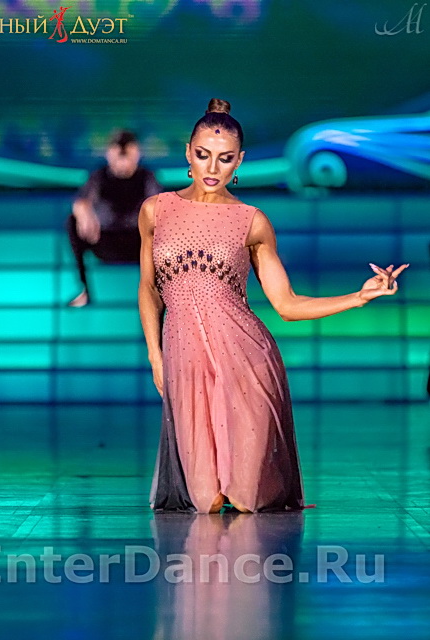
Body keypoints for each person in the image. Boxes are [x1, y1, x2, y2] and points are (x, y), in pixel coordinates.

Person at [138, 97, 410, 514]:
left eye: (225, 158)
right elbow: (148, 289)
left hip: (246, 362)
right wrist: (156, 358)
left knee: (246, 500)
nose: (213, 168)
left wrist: (359, 296)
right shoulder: (156, 211)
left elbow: (287, 305)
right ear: (188, 153)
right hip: (184, 362)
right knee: (206, 502)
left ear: (239, 161)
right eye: (204, 155)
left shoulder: (252, 221)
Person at [66, 129, 163, 307]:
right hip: (106, 241)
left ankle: (163, 293)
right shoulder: (99, 176)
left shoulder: (146, 177)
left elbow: (161, 206)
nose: (122, 158)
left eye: (128, 152)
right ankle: (85, 290)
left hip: (139, 243)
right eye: (118, 152)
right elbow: (80, 202)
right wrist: (84, 213)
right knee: (72, 222)